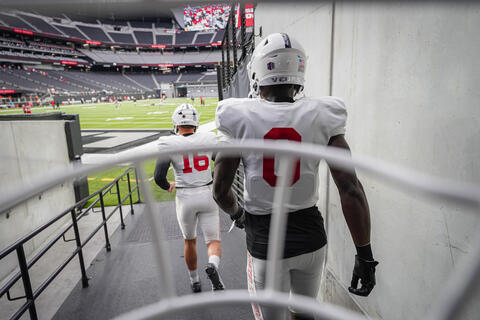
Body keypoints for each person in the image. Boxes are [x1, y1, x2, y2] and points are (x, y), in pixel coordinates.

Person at [213, 33, 379, 320]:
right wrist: (365, 254)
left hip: (266, 241)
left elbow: (219, 191)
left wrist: (238, 213)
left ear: (259, 72)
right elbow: (351, 189)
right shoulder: (323, 114)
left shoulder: (238, 115)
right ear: (298, 73)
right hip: (311, 238)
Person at [154, 103, 224, 293]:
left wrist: (169, 186)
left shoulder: (168, 143)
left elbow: (158, 177)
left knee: (189, 241)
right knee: (213, 242)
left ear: (176, 123)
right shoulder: (209, 138)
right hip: (207, 194)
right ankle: (213, 266)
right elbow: (221, 164)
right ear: (196, 122)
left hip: (185, 197)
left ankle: (194, 281)